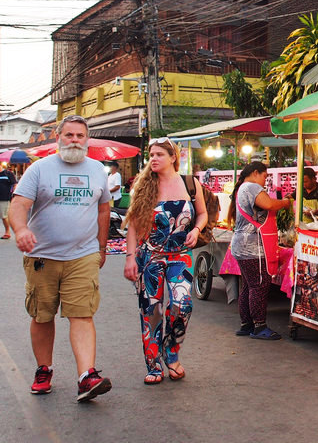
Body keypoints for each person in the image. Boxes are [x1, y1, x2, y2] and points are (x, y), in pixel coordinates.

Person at [8, 115, 113, 401]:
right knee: (42, 315)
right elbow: (19, 205)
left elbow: (103, 209)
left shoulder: (97, 170)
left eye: (80, 136)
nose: (75, 140)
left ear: (87, 140)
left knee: (82, 313)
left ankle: (86, 376)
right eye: (69, 135)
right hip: (42, 255)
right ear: (58, 138)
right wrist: (21, 230)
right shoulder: (39, 169)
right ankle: (44, 370)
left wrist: (101, 247)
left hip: (83, 255)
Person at [122, 137, 206, 384]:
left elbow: (202, 214)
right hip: (149, 256)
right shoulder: (143, 186)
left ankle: (171, 352)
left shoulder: (190, 184)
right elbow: (133, 227)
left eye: (159, 154)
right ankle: (153, 364)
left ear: (173, 158)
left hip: (181, 256)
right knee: (152, 311)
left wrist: (196, 230)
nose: (154, 159)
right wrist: (130, 258)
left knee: (183, 304)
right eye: (151, 155)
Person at [227, 162, 293, 340]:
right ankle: (259, 326)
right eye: (265, 176)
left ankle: (246, 324)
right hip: (252, 247)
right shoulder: (251, 187)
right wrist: (286, 202)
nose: (265, 180)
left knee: (249, 286)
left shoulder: (242, 188)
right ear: (255, 173)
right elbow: (269, 204)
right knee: (259, 285)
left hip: (243, 246)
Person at [0, 164, 16, 239]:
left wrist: (14, 195)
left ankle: (7, 232)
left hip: (4, 198)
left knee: (4, 216)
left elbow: (14, 184)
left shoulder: (8, 173)